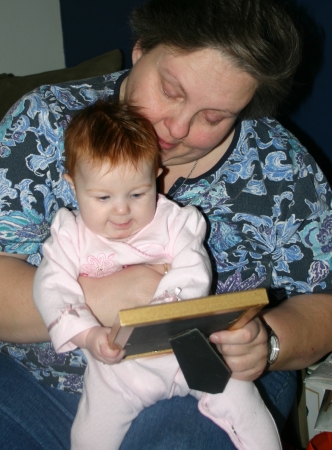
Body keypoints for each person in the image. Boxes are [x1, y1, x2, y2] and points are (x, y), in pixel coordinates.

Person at [1, 0, 332, 449]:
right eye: (170, 90)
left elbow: (323, 303)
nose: (176, 127)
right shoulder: (43, 122)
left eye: (213, 117)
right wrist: (107, 299)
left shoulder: (284, 172)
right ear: (140, 51)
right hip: (40, 380)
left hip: (208, 375)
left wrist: (270, 343)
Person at [33, 100, 281, 450]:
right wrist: (88, 336)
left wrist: (165, 307)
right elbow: (51, 287)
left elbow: (194, 268)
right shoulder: (69, 236)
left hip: (185, 350)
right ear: (73, 187)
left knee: (241, 397)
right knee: (90, 434)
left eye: (137, 193)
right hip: (117, 367)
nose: (122, 210)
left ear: (157, 177)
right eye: (103, 197)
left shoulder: (174, 222)